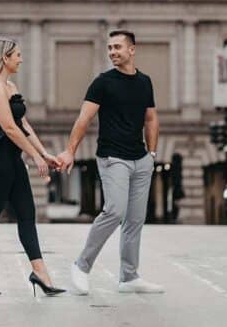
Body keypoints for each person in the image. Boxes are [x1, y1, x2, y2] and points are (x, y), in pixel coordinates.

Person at [56, 29, 164, 295]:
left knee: (135, 219)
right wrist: (70, 151)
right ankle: (81, 265)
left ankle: (129, 277)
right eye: (110, 48)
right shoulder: (103, 82)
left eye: (118, 47)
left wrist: (151, 154)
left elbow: (150, 119)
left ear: (132, 50)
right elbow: (84, 119)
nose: (113, 52)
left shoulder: (145, 82)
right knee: (114, 211)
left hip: (140, 160)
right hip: (113, 157)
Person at [0, 37, 65, 297]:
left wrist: (44, 153)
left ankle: (40, 272)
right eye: (17, 55)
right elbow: (8, 127)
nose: (21, 59)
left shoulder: (10, 86)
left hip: (12, 158)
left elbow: (23, 124)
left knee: (26, 213)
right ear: (5, 57)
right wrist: (34, 157)